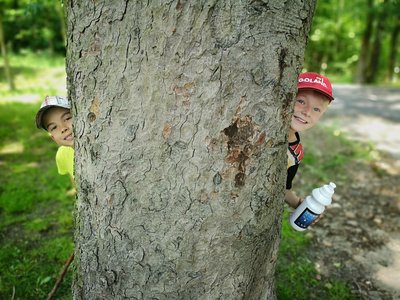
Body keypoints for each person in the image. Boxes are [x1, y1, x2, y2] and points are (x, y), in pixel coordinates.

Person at [285, 72, 334, 209]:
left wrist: (300, 205)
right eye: (301, 101)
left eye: (316, 109)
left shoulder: (295, 154)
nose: (307, 112)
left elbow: (283, 188)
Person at [35, 96, 75, 187]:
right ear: (53, 138)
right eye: (53, 127)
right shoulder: (62, 154)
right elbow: (75, 181)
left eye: (67, 118)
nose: (63, 128)